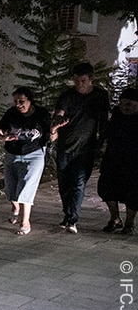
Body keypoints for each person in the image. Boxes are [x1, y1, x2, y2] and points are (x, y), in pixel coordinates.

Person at [51, 62, 110, 233]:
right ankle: (67, 214)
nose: (79, 84)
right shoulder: (68, 96)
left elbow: (103, 120)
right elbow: (59, 112)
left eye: (83, 81)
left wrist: (101, 141)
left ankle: (72, 219)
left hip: (86, 148)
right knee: (64, 184)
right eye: (76, 81)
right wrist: (58, 120)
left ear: (91, 79)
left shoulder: (100, 95)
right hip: (65, 146)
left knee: (78, 183)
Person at [0, 87, 50, 235]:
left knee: (26, 186)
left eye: (21, 101)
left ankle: (25, 221)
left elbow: (48, 132)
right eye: (15, 101)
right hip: (12, 153)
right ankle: (15, 207)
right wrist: (2, 136)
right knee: (10, 187)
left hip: (34, 153)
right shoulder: (11, 113)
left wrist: (54, 133)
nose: (18, 104)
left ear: (30, 101)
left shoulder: (41, 114)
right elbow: (0, 128)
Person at [97, 88, 138, 234]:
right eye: (122, 103)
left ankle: (129, 223)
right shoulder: (116, 115)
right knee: (106, 189)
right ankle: (115, 218)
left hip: (134, 163)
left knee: (133, 193)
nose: (125, 106)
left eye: (129, 103)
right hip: (113, 159)